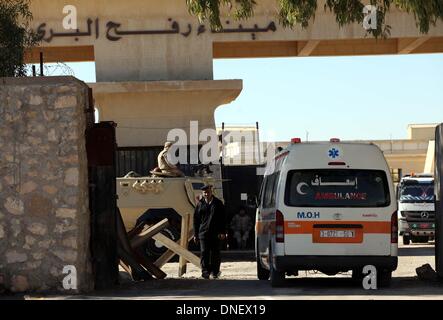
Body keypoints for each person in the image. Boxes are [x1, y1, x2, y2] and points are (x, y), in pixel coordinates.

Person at [193, 185, 227, 279]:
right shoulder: (200, 204)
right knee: (204, 253)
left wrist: (223, 232)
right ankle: (205, 272)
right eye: (205, 193)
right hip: (203, 233)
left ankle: (215, 272)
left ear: (211, 192)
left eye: (208, 192)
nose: (206, 194)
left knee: (215, 253)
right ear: (202, 193)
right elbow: (196, 220)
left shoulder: (218, 203)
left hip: (216, 233)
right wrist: (196, 234)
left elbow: (223, 219)